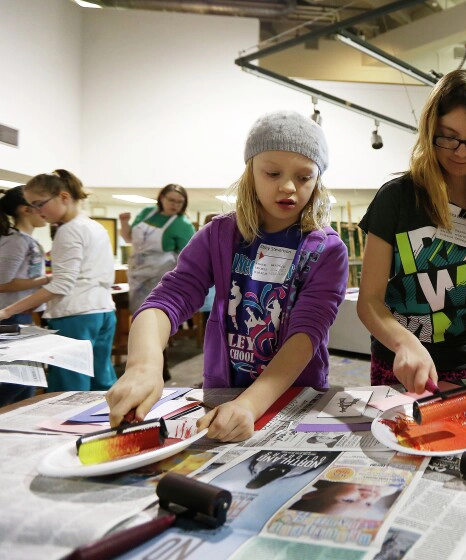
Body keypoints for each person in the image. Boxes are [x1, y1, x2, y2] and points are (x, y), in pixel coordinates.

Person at [105, 110, 349, 442]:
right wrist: (143, 365)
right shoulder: (218, 235)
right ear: (251, 172)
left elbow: (307, 333)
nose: (289, 186)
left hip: (294, 396)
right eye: (272, 172)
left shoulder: (326, 249)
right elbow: (168, 299)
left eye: (304, 177)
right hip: (224, 391)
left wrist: (250, 404)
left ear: (317, 181)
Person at [357, 69, 466, 423]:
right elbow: (369, 300)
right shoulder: (397, 199)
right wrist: (404, 342)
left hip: (463, 362)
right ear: (430, 132)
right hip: (397, 362)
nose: (461, 152)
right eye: (448, 138)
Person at [0, 170, 117, 392]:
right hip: (102, 311)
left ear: (63, 197)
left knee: (70, 387)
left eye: (39, 203)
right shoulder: (93, 226)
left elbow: (61, 285)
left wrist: (7, 311)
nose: (36, 211)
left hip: (75, 315)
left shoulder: (68, 231)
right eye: (31, 206)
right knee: (101, 381)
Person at [0, 186, 49, 404]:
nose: (44, 210)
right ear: (25, 210)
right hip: (12, 317)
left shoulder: (27, 240)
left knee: (27, 383)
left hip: (23, 316)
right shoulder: (16, 240)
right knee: (17, 381)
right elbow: (2, 282)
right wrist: (45, 281)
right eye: (38, 205)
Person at [119, 184, 195, 314]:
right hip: (136, 272)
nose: (175, 205)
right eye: (171, 200)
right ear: (161, 198)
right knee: (136, 312)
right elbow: (128, 239)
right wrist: (124, 222)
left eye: (180, 202)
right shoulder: (147, 212)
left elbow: (189, 259)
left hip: (160, 277)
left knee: (152, 313)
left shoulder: (183, 224)